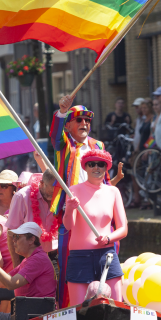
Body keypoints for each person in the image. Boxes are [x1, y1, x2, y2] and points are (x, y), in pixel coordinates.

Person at [50, 92, 108, 307]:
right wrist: (62, 112)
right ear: (69, 126)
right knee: (68, 260)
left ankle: (100, 302)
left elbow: (105, 177)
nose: (84, 123)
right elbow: (55, 135)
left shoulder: (99, 146)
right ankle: (67, 306)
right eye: (79, 120)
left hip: (98, 210)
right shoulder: (64, 144)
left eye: (87, 120)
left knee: (104, 255)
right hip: (72, 211)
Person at [63, 150, 127, 306]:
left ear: (106, 167)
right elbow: (68, 226)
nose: (96, 168)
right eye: (92, 164)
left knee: (116, 305)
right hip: (80, 256)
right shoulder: (73, 190)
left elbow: (123, 228)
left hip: (107, 255)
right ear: (85, 167)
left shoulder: (113, 191)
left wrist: (108, 238)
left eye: (101, 164)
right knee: (77, 310)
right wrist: (70, 208)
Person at [6, 171, 58, 267]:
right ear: (41, 183)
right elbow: (11, 233)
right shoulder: (22, 196)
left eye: (57, 191)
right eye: (51, 192)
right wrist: (17, 265)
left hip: (54, 255)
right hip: (28, 256)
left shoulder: (60, 196)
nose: (54, 195)